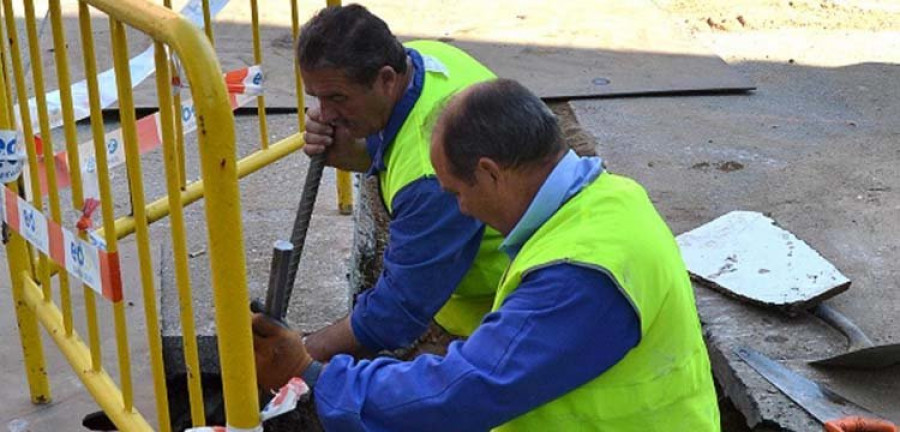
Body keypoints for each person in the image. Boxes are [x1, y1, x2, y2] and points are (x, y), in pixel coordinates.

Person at [253, 78, 722, 430]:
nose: (461, 208)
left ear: (491, 173)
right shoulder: (607, 196)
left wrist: (314, 377)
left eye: (457, 192)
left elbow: (467, 389)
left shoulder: (580, 275)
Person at [295, 4, 508, 361]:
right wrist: (358, 153)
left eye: (337, 98)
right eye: (316, 97)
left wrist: (299, 356)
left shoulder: (430, 177)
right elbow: (398, 141)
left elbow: (394, 316)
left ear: (386, 79)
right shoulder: (426, 58)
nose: (324, 113)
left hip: (497, 318)